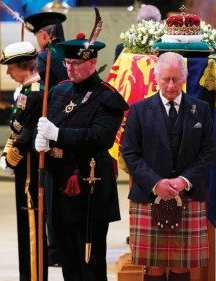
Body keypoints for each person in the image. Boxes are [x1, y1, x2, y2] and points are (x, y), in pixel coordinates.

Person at [34, 32, 128, 280]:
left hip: (89, 187)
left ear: (93, 63)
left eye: (76, 64)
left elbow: (99, 137)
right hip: (58, 185)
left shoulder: (108, 97)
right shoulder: (59, 91)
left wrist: (58, 134)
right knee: (66, 254)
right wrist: (40, 138)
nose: (70, 69)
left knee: (90, 257)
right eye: (67, 63)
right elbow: (45, 123)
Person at [121, 52, 216, 281]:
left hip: (188, 195)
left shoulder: (200, 109)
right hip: (148, 195)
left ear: (184, 78)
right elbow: (130, 154)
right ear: (156, 78)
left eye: (176, 79)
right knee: (153, 266)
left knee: (181, 266)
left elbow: (208, 152)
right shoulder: (139, 110)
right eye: (166, 79)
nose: (171, 85)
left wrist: (183, 181)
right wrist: (156, 183)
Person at [0, 41, 47, 281]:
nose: (8, 72)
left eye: (10, 68)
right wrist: (6, 153)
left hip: (30, 172)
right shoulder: (27, 91)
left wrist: (11, 158)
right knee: (24, 230)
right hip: (23, 169)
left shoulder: (36, 94)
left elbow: (27, 135)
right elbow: (17, 130)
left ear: (24, 67)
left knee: (31, 232)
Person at [24, 11, 69, 266]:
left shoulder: (43, 58)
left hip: (49, 130)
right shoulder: (70, 53)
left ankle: (54, 250)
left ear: (43, 35)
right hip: (70, 131)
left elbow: (35, 95)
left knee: (49, 191)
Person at [24, 11, 69, 91]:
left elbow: (35, 90)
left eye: (36, 36)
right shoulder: (73, 52)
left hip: (53, 102)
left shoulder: (42, 57)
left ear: (43, 35)